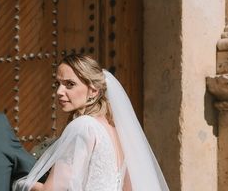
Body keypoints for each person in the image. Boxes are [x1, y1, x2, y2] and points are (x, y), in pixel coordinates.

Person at [13, 54, 169, 191]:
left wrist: (19, 184)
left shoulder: (83, 126)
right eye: (58, 84)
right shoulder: (114, 129)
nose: (59, 92)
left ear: (93, 90)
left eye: (70, 84)